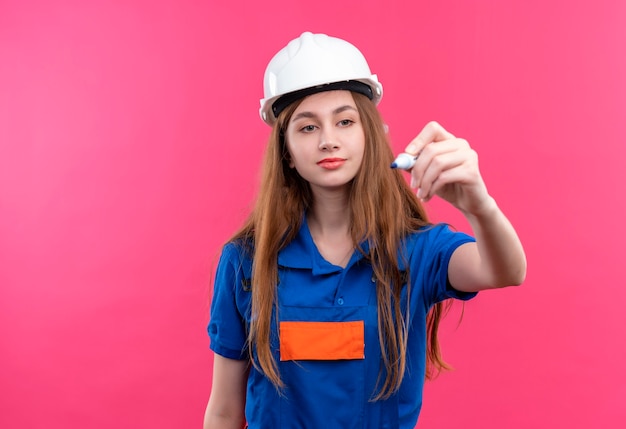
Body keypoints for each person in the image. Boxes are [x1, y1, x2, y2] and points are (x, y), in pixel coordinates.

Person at [203, 32, 526, 429]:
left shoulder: (416, 251)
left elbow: (507, 271)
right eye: (307, 128)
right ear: (285, 151)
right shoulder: (245, 262)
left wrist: (480, 205)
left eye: (344, 121)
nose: (328, 140)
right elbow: (223, 412)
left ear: (369, 133)